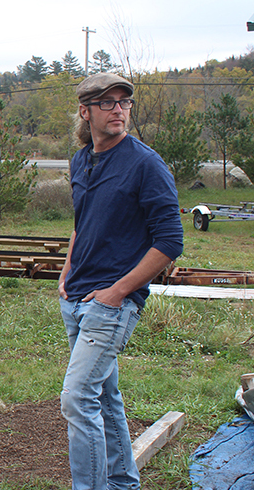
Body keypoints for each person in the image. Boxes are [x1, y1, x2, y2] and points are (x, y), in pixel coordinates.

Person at [59, 73, 183, 490]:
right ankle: (124, 483)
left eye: (124, 102)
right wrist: (67, 268)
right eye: (108, 102)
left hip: (111, 304)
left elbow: (170, 241)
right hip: (76, 296)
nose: (118, 109)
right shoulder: (81, 160)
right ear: (86, 110)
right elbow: (83, 221)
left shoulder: (145, 163)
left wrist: (117, 292)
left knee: (77, 398)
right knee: (105, 400)